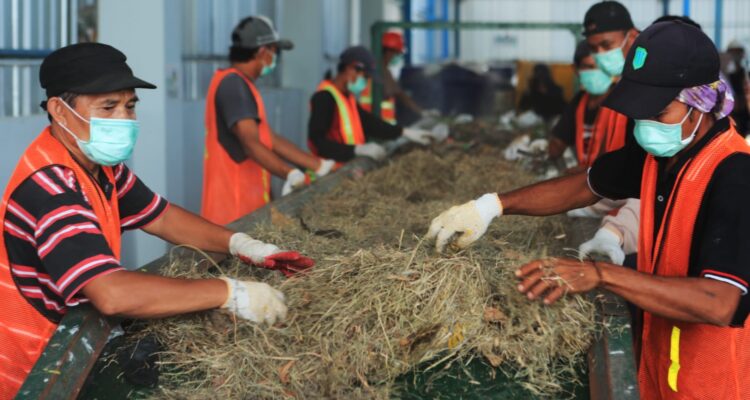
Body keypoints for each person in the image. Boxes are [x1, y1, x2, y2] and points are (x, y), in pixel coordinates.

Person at [428, 21, 749, 398]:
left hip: (715, 385)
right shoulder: (662, 153)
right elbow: (585, 184)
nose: (645, 126)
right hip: (663, 373)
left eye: (658, 113)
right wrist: (491, 206)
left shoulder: (736, 174)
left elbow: (719, 302)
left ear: (700, 102)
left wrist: (601, 275)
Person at [0, 43, 314, 397]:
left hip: (71, 346)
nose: (124, 118)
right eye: (108, 107)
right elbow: (112, 294)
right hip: (39, 373)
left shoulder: (101, 168)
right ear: (59, 110)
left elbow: (161, 216)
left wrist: (241, 244)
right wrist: (229, 292)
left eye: (130, 105)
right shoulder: (51, 187)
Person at [202, 16, 336, 226]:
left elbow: (269, 139)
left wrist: (318, 165)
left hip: (247, 210)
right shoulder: (233, 86)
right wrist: (289, 173)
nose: (276, 58)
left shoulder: (240, 84)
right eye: (275, 51)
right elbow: (250, 144)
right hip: (234, 212)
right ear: (263, 52)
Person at [308, 46, 445, 163]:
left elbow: (369, 122)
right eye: (365, 77)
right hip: (327, 174)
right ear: (351, 69)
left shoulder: (346, 98)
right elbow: (317, 142)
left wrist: (404, 132)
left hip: (345, 168)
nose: (366, 82)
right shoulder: (324, 98)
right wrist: (356, 150)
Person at [548, 40, 615, 169]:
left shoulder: (623, 102)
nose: (596, 72)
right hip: (585, 181)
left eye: (601, 67)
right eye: (589, 67)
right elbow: (558, 143)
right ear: (576, 70)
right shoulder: (579, 102)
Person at [358, 31, 430, 124]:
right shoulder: (374, 70)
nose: (396, 57)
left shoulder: (384, 70)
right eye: (396, 53)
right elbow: (390, 91)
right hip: (372, 125)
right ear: (388, 51)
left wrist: (422, 112)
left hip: (383, 125)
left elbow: (399, 93)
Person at [726, 40, 749, 134]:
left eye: (738, 52)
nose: (735, 55)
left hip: (745, 116)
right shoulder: (726, 76)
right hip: (732, 115)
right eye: (733, 52)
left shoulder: (746, 75)